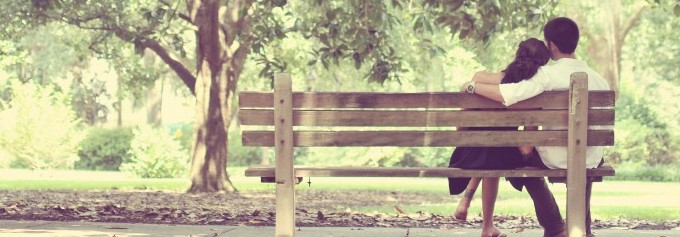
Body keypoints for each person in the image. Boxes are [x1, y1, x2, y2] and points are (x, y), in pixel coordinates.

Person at [461, 17, 610, 237]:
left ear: (551, 45)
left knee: (521, 163)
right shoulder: (599, 80)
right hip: (590, 157)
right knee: (582, 161)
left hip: (554, 157)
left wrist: (472, 86)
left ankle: (555, 227)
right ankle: (582, 229)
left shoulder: (546, 75)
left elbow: (508, 94)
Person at [448, 37, 551, 237]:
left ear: (517, 54)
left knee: (489, 146)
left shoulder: (485, 78)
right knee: (495, 150)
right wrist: (523, 149)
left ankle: (469, 204)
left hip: (470, 150)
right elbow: (528, 144)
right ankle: (487, 227)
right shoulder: (534, 91)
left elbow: (464, 117)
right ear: (542, 63)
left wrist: (461, 137)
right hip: (503, 151)